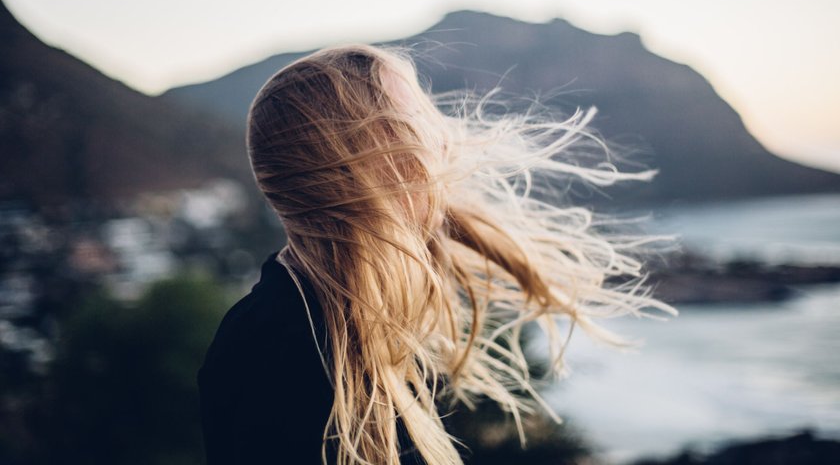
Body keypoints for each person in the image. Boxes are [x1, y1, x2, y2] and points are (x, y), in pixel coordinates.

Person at [197, 44, 674, 465]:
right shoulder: (280, 353)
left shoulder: (349, 329)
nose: (443, 140)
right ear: (365, 159)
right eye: (417, 120)